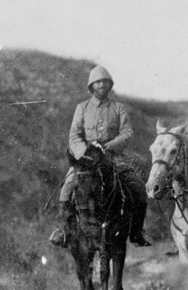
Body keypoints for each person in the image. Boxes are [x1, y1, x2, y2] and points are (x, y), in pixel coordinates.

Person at [49, 65, 150, 248]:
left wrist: (108, 147)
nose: (102, 85)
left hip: (114, 157)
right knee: (67, 188)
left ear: (110, 85)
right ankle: (65, 231)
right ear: (91, 86)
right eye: (98, 82)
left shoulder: (118, 108)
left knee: (138, 187)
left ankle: (136, 232)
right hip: (87, 160)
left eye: (105, 81)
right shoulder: (82, 108)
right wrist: (85, 153)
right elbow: (74, 135)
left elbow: (127, 133)